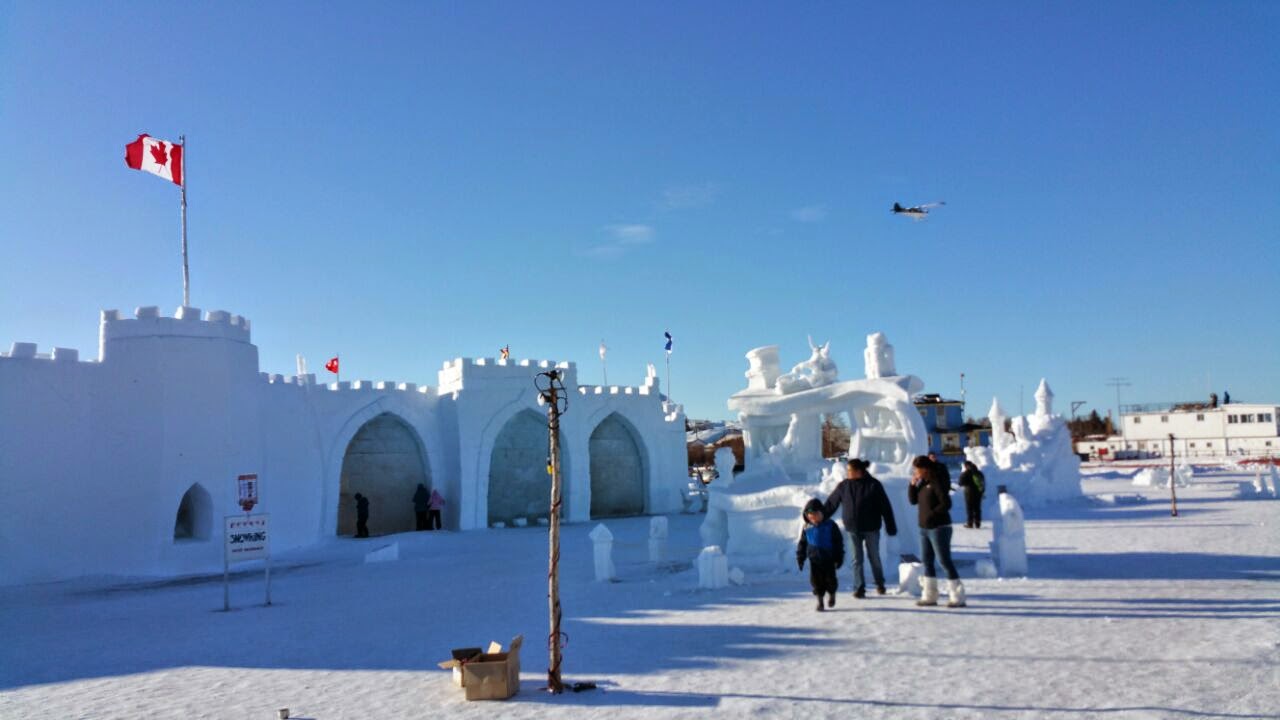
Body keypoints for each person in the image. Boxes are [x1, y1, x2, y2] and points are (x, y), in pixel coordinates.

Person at [824, 458, 897, 598]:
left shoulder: (874, 485)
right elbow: (831, 504)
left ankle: (879, 583)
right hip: (852, 529)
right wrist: (821, 516)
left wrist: (890, 526)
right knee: (857, 559)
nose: (847, 472)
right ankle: (859, 587)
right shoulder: (844, 486)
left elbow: (885, 507)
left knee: (874, 557)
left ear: (859, 471)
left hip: (871, 528)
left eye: (850, 470)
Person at [908, 455, 965, 607]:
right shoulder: (922, 483)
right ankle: (930, 594)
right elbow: (913, 501)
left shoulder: (936, 481)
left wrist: (932, 515)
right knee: (927, 562)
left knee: (944, 561)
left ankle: (957, 595)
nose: (915, 472)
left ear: (925, 469)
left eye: (917, 469)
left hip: (939, 527)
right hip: (924, 528)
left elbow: (946, 503)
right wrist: (912, 485)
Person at [796, 498, 844, 612]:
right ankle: (820, 601)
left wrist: (839, 557)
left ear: (822, 513)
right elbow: (802, 543)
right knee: (816, 582)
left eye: (816, 515)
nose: (814, 519)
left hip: (829, 558)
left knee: (830, 580)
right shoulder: (807, 528)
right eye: (811, 516)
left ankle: (832, 594)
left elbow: (838, 542)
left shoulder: (830, 525)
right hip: (814, 560)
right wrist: (800, 557)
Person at [958, 461, 986, 529]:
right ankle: (978, 523)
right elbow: (983, 482)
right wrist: (982, 491)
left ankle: (970, 523)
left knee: (969, 508)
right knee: (977, 508)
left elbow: (960, 483)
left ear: (966, 466)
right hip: (978, 493)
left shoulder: (966, 473)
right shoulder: (979, 473)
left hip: (969, 492)